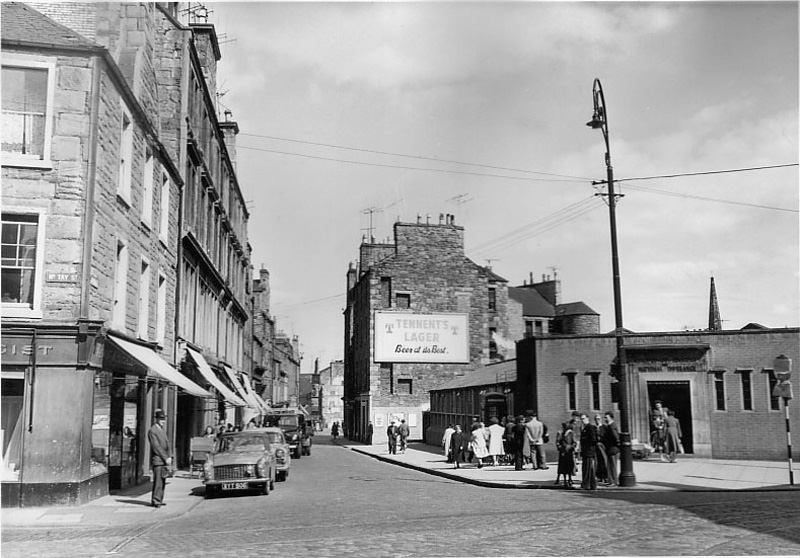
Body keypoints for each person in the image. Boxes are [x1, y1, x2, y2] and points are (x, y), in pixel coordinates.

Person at [148, 409, 172, 508]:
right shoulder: (153, 430)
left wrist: (169, 456)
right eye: (161, 419)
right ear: (156, 419)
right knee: (158, 481)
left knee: (162, 481)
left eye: (164, 419)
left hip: (164, 460)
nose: (163, 421)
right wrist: (166, 458)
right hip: (158, 460)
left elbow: (167, 444)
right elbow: (156, 447)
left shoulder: (161, 429)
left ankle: (160, 499)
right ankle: (156, 500)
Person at [579, 413, 598, 490]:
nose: (582, 420)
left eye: (583, 419)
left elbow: (593, 439)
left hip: (589, 451)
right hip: (586, 452)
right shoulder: (585, 428)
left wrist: (586, 443)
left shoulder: (590, 427)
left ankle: (586, 484)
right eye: (581, 419)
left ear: (587, 419)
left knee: (587, 469)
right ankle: (592, 484)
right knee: (589, 469)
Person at [554, 421, 576, 487]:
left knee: (569, 466)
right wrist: (560, 447)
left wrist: (571, 447)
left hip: (569, 452)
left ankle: (569, 479)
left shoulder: (571, 434)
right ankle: (564, 480)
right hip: (563, 452)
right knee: (562, 466)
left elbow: (574, 442)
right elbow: (558, 442)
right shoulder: (561, 433)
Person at [602, 411, 620, 486]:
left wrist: (615, 443)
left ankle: (614, 481)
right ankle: (612, 480)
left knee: (612, 465)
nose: (605, 419)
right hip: (611, 448)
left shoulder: (611, 426)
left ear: (611, 417)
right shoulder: (611, 425)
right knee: (611, 465)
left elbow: (615, 437)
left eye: (606, 417)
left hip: (612, 448)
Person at [593, 414, 608, 484]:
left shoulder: (604, 427)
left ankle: (605, 476)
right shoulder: (594, 428)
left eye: (598, 419)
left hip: (603, 446)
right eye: (596, 419)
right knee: (597, 462)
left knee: (604, 461)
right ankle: (599, 476)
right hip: (596, 446)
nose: (597, 420)